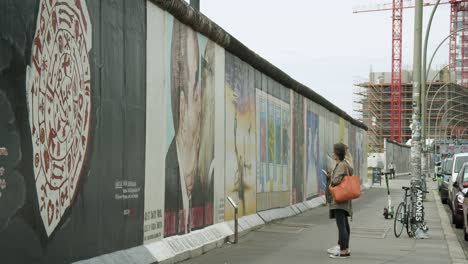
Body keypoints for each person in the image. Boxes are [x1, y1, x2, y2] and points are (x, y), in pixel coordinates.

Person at [326, 143, 353, 258]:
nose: (332, 154)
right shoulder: (345, 164)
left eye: (334, 152)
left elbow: (336, 181)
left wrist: (330, 177)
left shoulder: (341, 165)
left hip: (339, 199)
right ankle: (345, 248)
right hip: (344, 199)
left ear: (338, 154)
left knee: (341, 226)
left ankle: (342, 251)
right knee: (345, 225)